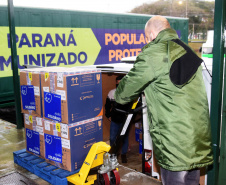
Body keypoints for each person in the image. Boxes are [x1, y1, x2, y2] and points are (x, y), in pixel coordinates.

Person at [114, 15, 213, 185]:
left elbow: (125, 92)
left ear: (152, 34)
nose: (147, 41)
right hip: (196, 136)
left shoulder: (155, 52)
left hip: (175, 139)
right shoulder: (186, 50)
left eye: (147, 38)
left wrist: (118, 95)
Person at [105, 75, 131, 163]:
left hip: (125, 120)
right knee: (112, 138)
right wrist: (108, 115)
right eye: (118, 83)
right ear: (116, 83)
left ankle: (124, 154)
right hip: (115, 120)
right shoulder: (112, 93)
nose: (119, 85)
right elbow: (107, 105)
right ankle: (113, 154)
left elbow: (132, 107)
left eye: (121, 83)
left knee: (124, 138)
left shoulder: (129, 93)